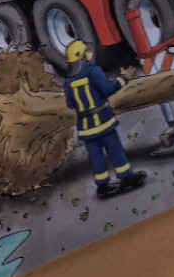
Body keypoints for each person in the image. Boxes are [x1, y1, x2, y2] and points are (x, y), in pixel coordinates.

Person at [63, 40, 147, 198]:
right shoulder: (93, 71)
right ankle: (126, 177)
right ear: (82, 56)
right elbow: (107, 89)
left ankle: (102, 186)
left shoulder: (68, 82)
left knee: (95, 156)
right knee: (114, 149)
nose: (90, 53)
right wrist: (123, 78)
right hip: (103, 121)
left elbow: (70, 103)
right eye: (87, 51)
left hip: (86, 127)